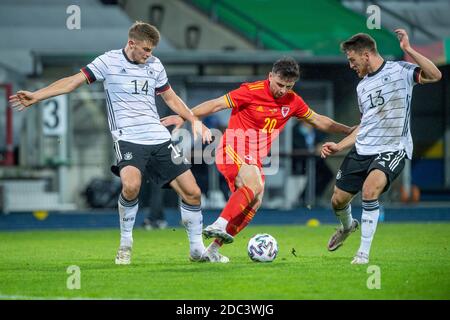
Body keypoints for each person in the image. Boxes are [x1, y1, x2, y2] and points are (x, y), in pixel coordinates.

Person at [9, 21, 214, 264]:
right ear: (131, 43)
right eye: (146, 50)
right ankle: (126, 243)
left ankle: (196, 250)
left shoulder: (155, 65)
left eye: (152, 51)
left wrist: (193, 120)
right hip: (128, 137)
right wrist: (37, 95)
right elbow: (72, 82)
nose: (150, 55)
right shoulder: (108, 62)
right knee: (131, 186)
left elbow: (170, 97)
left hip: (158, 137)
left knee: (193, 192)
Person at [162, 57, 355, 262]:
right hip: (232, 148)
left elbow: (318, 120)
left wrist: (348, 130)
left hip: (254, 158)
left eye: (288, 86)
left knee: (254, 202)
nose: (283, 90)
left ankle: (212, 251)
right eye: (280, 84)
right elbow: (216, 104)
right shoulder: (250, 91)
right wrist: (185, 117)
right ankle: (219, 224)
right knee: (254, 184)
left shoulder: (293, 101)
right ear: (270, 76)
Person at [321, 29, 442, 264]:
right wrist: (339, 146)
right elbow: (365, 125)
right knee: (337, 200)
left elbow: (435, 75)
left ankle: (363, 253)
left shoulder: (401, 71)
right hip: (363, 149)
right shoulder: (362, 87)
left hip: (392, 148)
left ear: (366, 55)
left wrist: (408, 50)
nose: (351, 66)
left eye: (352, 60)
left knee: (369, 190)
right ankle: (347, 227)